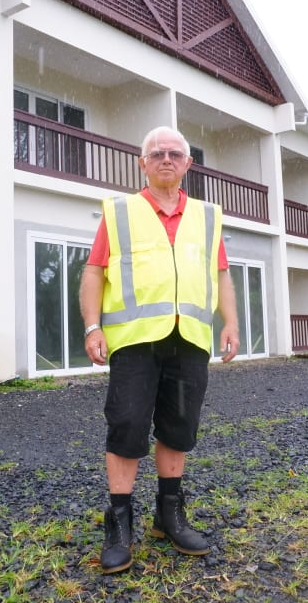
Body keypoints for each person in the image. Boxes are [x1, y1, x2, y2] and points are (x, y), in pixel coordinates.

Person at [79, 126, 240, 574]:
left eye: (175, 153)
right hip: (133, 341)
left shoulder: (208, 216)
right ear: (142, 163)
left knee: (179, 425)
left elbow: (221, 275)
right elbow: (94, 272)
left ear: (188, 164)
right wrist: (93, 327)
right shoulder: (120, 213)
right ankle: (119, 522)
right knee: (127, 424)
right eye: (156, 153)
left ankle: (168, 515)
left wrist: (231, 322)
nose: (165, 159)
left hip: (189, 338)